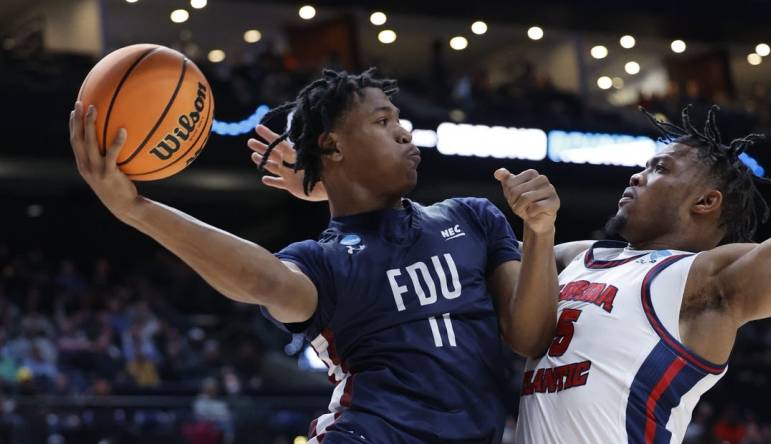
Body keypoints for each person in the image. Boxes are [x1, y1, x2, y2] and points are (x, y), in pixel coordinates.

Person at [69, 68, 560, 443]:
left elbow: (530, 336)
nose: (404, 133)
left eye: (401, 121)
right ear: (332, 146)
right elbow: (262, 280)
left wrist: (540, 229)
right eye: (383, 120)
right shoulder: (325, 260)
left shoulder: (472, 217)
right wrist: (137, 209)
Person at [512, 106, 771, 444]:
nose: (636, 176)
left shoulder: (701, 280)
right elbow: (483, 252)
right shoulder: (579, 257)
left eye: (660, 168)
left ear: (704, 201)